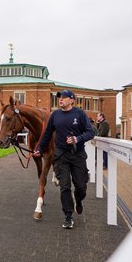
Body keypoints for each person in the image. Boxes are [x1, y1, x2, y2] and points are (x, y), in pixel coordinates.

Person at [34, 90, 95, 229]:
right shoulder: (55, 115)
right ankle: (68, 216)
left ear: (72, 100)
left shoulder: (79, 114)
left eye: (64, 97)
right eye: (60, 98)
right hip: (61, 156)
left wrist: (77, 139)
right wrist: (39, 149)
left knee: (81, 186)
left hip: (78, 154)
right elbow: (47, 134)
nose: (60, 99)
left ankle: (78, 199)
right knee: (64, 186)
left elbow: (90, 132)